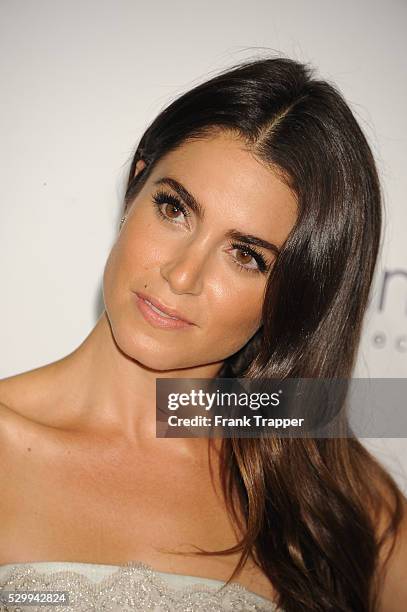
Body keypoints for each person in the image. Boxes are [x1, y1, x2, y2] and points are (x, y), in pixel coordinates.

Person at [0, 55, 406, 612]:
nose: (181, 274)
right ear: (135, 186)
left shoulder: (331, 501)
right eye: (174, 209)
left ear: (295, 296)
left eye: (246, 255)